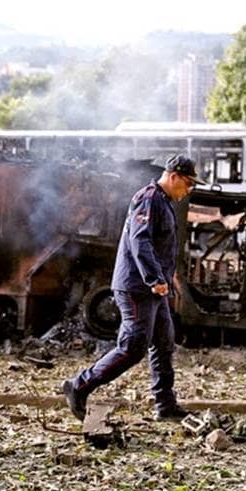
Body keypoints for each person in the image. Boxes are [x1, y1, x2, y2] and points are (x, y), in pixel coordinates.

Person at [62, 154, 205, 421]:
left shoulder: (163, 202)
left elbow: (159, 245)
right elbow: (140, 242)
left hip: (153, 288)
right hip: (138, 287)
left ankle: (165, 406)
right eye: (188, 184)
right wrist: (155, 279)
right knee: (133, 347)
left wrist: (167, 276)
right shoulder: (148, 198)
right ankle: (79, 385)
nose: (189, 190)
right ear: (173, 176)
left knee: (164, 342)